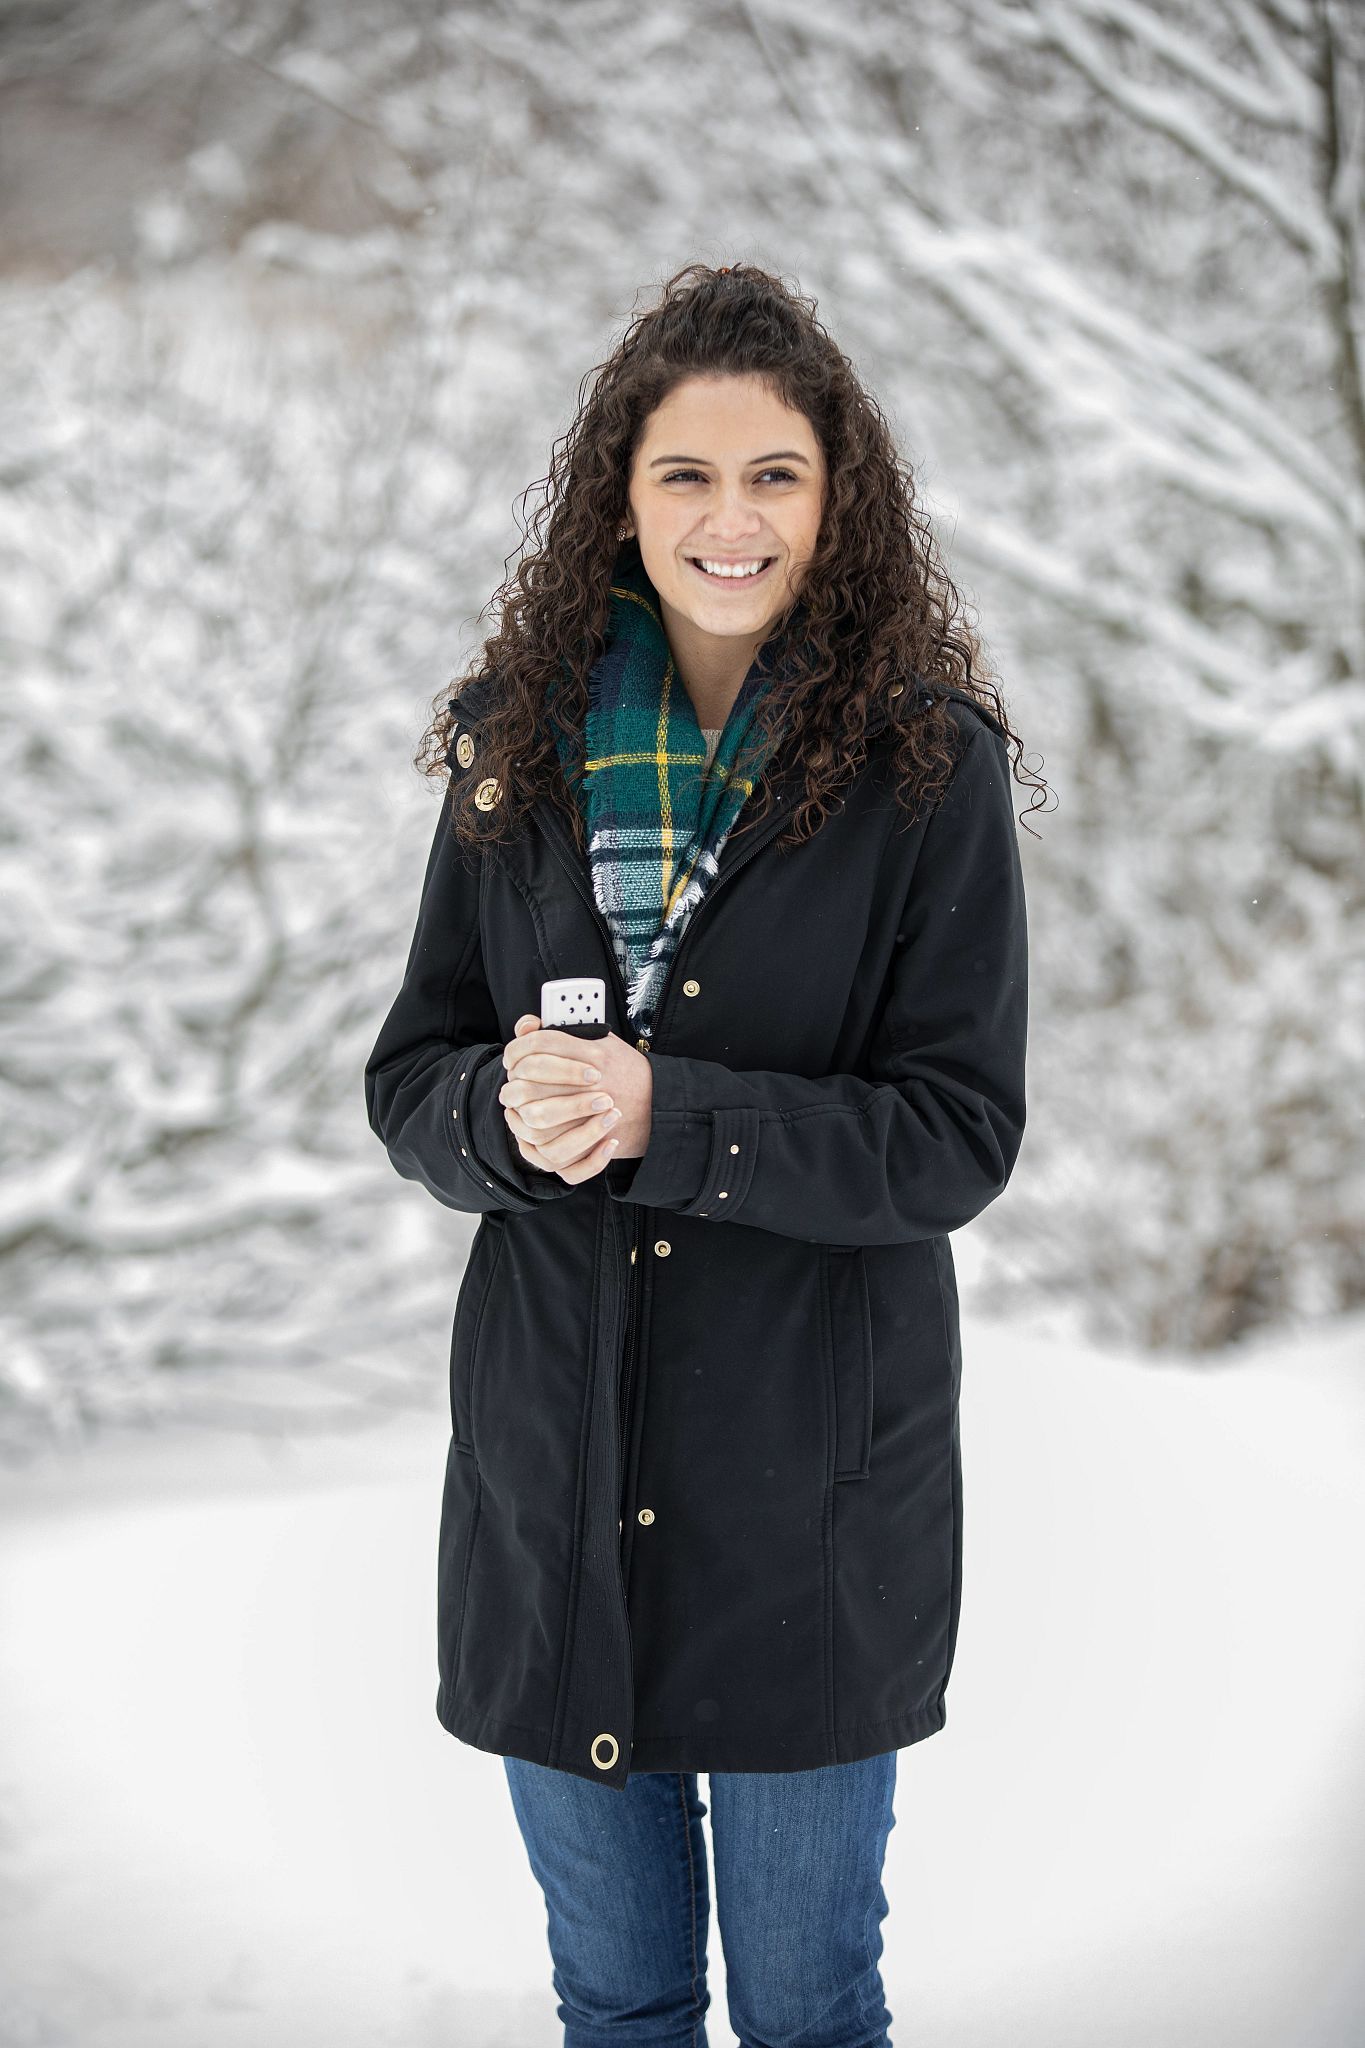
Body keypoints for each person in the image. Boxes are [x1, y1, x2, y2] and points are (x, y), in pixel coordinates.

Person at [365, 260, 1042, 2048]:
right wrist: (497, 1125)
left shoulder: (923, 770)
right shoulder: (512, 749)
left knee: (809, 2009)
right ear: (621, 492)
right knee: (619, 2000)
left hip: (809, 1497)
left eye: (773, 476)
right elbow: (412, 1072)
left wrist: (679, 1120)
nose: (727, 519)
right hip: (552, 1478)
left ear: (837, 502)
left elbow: (955, 1139)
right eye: (685, 474)